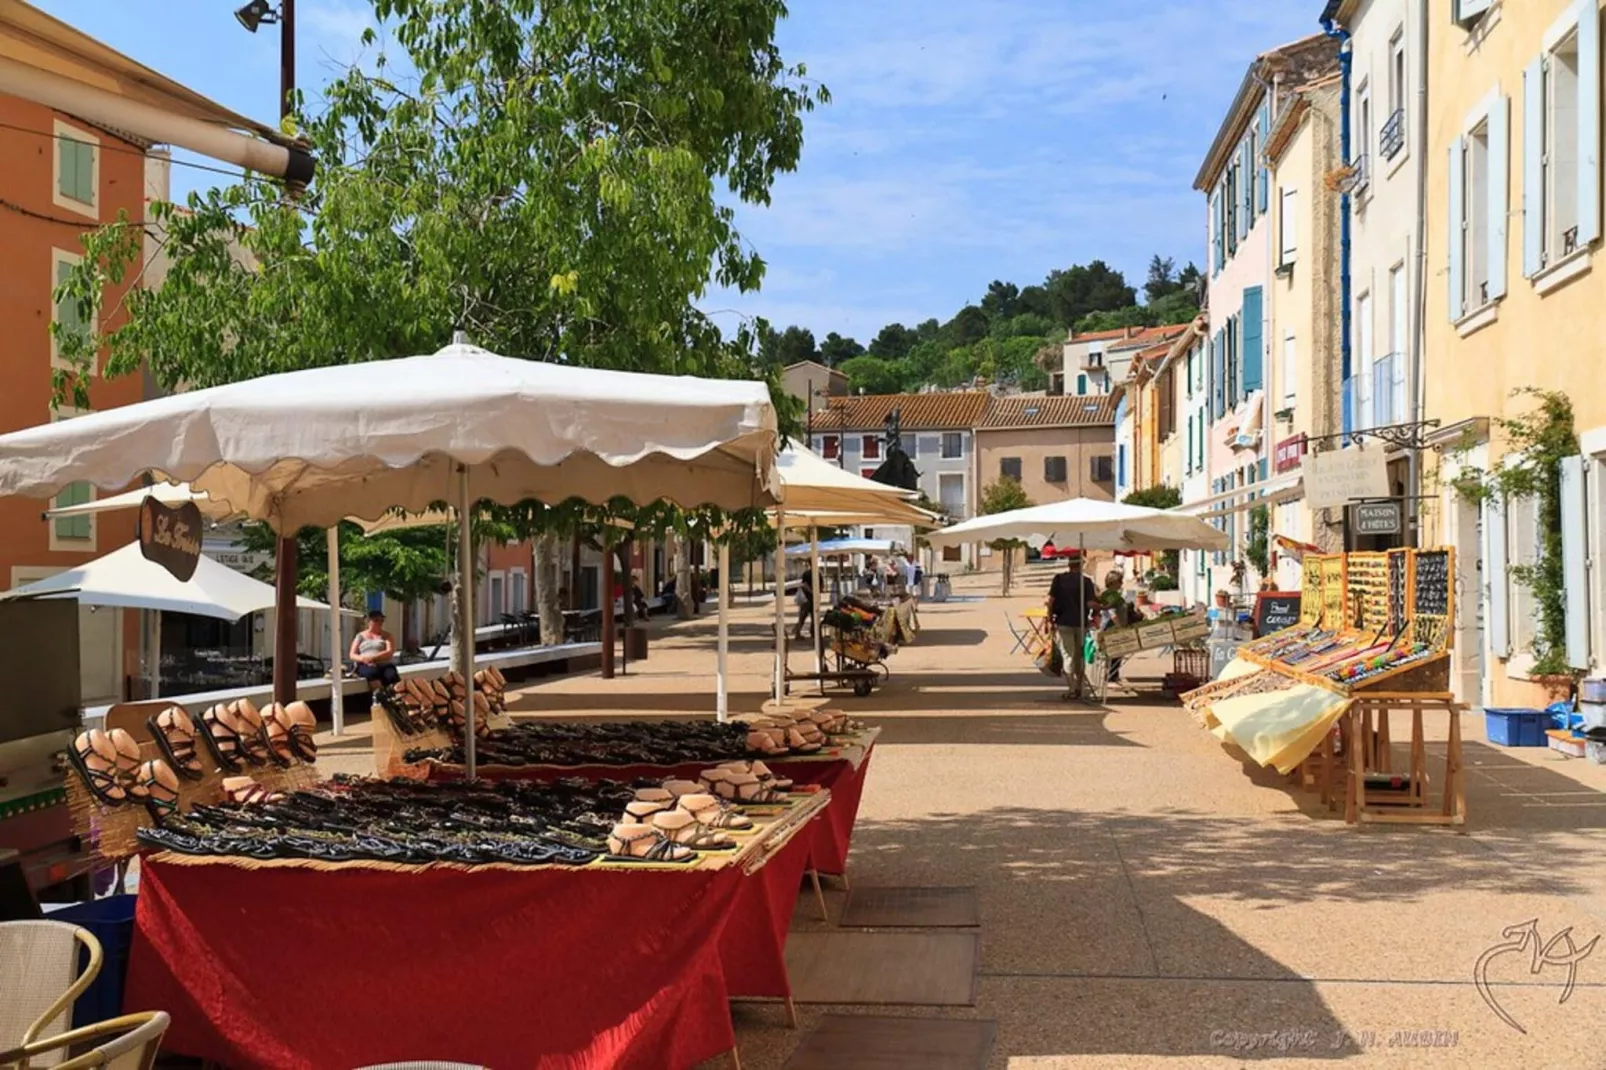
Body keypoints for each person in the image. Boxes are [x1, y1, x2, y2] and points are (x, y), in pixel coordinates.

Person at [1045, 553, 1100, 701]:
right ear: (1081, 565)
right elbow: (1090, 604)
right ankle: (1079, 687)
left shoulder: (1058, 579)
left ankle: (1071, 688)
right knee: (1079, 655)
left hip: (1063, 622)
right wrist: (1101, 607)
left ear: (1069, 565)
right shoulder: (1086, 582)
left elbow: (1050, 601)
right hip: (1081, 623)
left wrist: (1049, 619)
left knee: (1068, 655)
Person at [350, 610, 400, 688]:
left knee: (391, 675)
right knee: (371, 673)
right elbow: (352, 654)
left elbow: (389, 652)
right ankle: (380, 693)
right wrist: (364, 659)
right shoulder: (360, 636)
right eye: (376, 620)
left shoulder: (387, 636)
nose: (380, 623)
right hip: (366, 664)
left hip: (383, 664)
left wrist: (373, 658)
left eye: (382, 620)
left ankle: (393, 692)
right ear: (369, 622)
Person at [793, 565, 814, 641]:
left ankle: (797, 632)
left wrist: (810, 591)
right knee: (814, 617)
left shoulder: (806, 573)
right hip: (810, 599)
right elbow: (821, 586)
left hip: (805, 598)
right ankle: (813, 633)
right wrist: (814, 592)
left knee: (802, 617)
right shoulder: (817, 573)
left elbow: (804, 584)